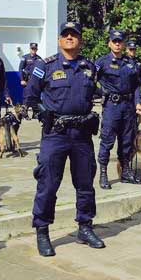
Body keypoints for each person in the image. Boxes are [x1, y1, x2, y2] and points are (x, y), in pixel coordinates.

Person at [25, 21, 105, 257]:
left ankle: (85, 227)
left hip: (81, 135)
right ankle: (42, 230)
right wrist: (44, 113)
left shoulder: (89, 67)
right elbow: (30, 97)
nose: (70, 38)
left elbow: (98, 94)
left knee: (85, 184)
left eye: (74, 35)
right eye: (66, 35)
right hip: (56, 134)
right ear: (60, 40)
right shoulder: (45, 66)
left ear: (80, 40)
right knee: (48, 184)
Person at [95, 30, 141, 189]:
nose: (117, 44)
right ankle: (103, 173)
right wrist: (100, 94)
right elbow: (89, 81)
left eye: (120, 41)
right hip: (112, 106)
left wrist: (138, 102)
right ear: (109, 43)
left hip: (128, 107)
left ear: (123, 44)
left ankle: (126, 172)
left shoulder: (131, 64)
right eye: (114, 41)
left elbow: (137, 85)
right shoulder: (101, 62)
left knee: (127, 141)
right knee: (107, 140)